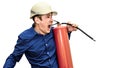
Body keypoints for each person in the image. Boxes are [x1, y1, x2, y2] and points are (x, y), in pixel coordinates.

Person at [3, 2, 77, 68]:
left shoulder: (55, 32)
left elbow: (62, 46)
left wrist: (67, 31)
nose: (51, 20)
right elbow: (13, 57)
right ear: (37, 20)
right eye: (48, 17)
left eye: (51, 16)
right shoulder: (25, 38)